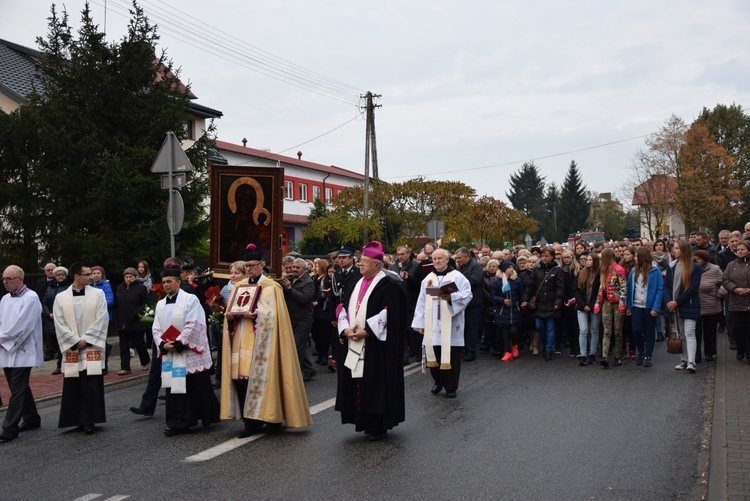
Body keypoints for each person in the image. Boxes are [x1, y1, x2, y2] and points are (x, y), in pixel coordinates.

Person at [221, 246, 312, 438]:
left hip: (264, 342)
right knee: (243, 382)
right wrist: (228, 317)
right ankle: (251, 424)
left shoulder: (272, 287)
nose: (249, 269)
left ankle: (272, 419)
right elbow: (231, 311)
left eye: (252, 265)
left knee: (268, 379)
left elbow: (275, 316)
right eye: (246, 266)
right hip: (240, 339)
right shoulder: (239, 287)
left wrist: (256, 315)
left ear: (262, 266)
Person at [335, 241, 406, 440]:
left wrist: (367, 331)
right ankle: (361, 419)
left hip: (376, 345)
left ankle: (377, 424)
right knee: (356, 381)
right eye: (360, 261)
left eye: (365, 262)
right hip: (353, 339)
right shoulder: (355, 283)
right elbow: (342, 307)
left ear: (377, 264)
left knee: (375, 382)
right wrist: (346, 328)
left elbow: (391, 313)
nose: (360, 265)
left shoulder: (389, 285)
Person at [152, 264, 220, 436]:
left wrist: (179, 342)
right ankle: (178, 422)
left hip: (188, 350)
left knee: (196, 385)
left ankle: (206, 416)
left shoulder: (190, 299)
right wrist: (162, 344)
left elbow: (195, 323)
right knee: (175, 388)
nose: (166, 285)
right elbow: (156, 328)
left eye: (169, 281)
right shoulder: (160, 304)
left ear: (178, 282)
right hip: (171, 352)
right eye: (164, 282)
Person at [53, 263, 108, 434]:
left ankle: (90, 420)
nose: (91, 277)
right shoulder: (61, 298)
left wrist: (87, 339)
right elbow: (59, 322)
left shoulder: (98, 294)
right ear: (76, 276)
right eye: (87, 274)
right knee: (73, 384)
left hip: (91, 346)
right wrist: (75, 341)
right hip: (73, 347)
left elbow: (102, 318)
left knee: (91, 383)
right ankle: (76, 419)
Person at [412, 249, 472, 398]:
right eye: (435, 259)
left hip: (450, 323)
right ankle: (437, 381)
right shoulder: (428, 279)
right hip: (432, 324)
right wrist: (420, 324)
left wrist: (451, 297)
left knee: (451, 355)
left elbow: (467, 295)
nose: (437, 261)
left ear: (447, 259)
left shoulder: (458, 277)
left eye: (440, 258)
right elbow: (421, 301)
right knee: (435, 354)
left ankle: (451, 387)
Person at [0, 266, 44, 442]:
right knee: (18, 387)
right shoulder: (4, 299)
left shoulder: (31, 298)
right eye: (3, 279)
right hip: (5, 347)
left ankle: (9, 428)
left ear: (20, 279)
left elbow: (24, 325)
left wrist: (4, 340)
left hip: (23, 349)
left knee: (17, 390)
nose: (5, 282)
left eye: (8, 279)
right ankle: (32, 418)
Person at [665, 240, 702, 373]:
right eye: (674, 248)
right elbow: (667, 286)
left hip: (689, 304)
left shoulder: (694, 267)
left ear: (684, 250)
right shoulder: (672, 266)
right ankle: (683, 360)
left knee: (690, 332)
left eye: (676, 248)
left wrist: (677, 301)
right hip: (675, 305)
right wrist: (669, 301)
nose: (674, 251)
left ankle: (691, 361)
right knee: (680, 334)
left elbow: (692, 288)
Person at [523, 247, 565, 361]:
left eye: (547, 256)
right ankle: (545, 344)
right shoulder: (537, 270)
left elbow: (560, 289)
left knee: (550, 328)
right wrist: (525, 300)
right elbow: (530, 287)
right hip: (539, 303)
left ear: (552, 257)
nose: (544, 258)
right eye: (543, 256)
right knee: (539, 326)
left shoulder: (558, 271)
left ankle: (549, 349)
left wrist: (558, 302)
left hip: (551, 303)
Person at [626, 247, 664, 368]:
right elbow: (629, 289)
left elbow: (660, 289)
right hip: (636, 305)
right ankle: (641, 351)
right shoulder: (633, 271)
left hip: (649, 306)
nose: (635, 258)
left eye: (637, 256)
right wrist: (628, 305)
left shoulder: (655, 271)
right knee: (636, 330)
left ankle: (648, 355)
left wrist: (656, 307)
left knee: (649, 331)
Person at [280, 258, 316, 381]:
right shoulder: (288, 279)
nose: (294, 269)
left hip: (303, 320)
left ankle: (294, 378)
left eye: (297, 268)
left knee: (296, 348)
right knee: (297, 346)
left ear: (304, 270)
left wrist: (290, 289)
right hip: (290, 318)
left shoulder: (308, 282)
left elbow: (305, 299)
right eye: (293, 267)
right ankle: (309, 369)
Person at [594, 248, 627, 368]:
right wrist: (598, 304)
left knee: (617, 330)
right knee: (607, 330)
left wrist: (622, 305)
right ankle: (605, 356)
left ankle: (618, 356)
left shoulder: (619, 270)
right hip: (607, 303)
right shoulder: (604, 271)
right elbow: (601, 289)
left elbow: (623, 289)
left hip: (618, 303)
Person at [114, 267, 151, 375]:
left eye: (131, 277)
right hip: (123, 322)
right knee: (124, 346)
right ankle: (125, 367)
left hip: (136, 321)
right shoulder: (120, 287)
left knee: (139, 343)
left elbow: (146, 303)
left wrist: (136, 313)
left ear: (135, 277)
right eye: (126, 277)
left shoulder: (141, 288)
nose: (128, 279)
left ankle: (146, 361)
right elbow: (117, 303)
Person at [693, 250, 724, 363]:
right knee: (695, 332)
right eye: (694, 258)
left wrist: (720, 293)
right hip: (695, 306)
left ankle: (709, 353)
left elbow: (725, 282)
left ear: (705, 260)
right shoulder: (692, 269)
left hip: (711, 305)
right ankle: (696, 354)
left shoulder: (715, 269)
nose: (695, 261)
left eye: (698, 259)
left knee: (710, 332)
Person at [722, 239, 750, 364]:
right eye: (738, 249)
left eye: (742, 249)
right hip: (735, 301)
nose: (739, 251)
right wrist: (735, 289)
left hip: (748, 301)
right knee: (738, 329)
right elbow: (725, 279)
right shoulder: (731, 265)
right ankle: (740, 349)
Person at [454, 248, 484, 362]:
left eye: (459, 258)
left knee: (472, 328)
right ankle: (464, 349)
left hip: (473, 303)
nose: (458, 260)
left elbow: (473, 282)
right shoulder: (459, 268)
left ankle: (471, 351)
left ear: (467, 257)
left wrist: (457, 284)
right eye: (456, 258)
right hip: (462, 303)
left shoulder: (475, 267)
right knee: (463, 327)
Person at [491, 261, 523, 362]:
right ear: (504, 269)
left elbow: (521, 294)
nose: (512, 269)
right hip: (502, 311)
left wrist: (522, 303)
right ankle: (507, 352)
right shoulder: (497, 281)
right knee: (505, 332)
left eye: (512, 267)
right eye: (509, 267)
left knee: (513, 331)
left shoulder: (516, 281)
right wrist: (503, 300)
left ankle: (514, 345)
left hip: (514, 310)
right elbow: (492, 296)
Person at [43, 266, 71, 374]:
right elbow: (44, 302)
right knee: (54, 343)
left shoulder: (69, 287)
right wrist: (48, 313)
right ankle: (60, 364)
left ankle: (63, 364)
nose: (60, 276)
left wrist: (59, 314)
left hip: (64, 319)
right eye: (58, 275)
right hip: (51, 320)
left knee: (64, 343)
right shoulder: (50, 288)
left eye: (62, 274)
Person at [575, 253, 601, 366]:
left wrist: (590, 305)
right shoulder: (581, 273)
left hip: (594, 305)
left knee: (594, 330)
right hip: (581, 306)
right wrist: (582, 304)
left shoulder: (599, 275)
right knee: (584, 330)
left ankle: (593, 354)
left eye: (590, 260)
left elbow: (598, 292)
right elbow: (576, 290)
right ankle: (583, 354)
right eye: (587, 260)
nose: (587, 261)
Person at [311, 259, 333, 366]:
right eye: (315, 266)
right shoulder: (314, 278)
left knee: (324, 334)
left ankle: (324, 355)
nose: (315, 268)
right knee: (316, 333)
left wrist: (319, 300)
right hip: (315, 309)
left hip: (324, 310)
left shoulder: (326, 280)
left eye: (318, 266)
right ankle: (320, 353)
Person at [35, 263, 56, 361]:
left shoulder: (59, 281)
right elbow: (38, 295)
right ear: (45, 272)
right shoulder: (41, 282)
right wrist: (41, 308)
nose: (51, 272)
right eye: (48, 270)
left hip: (56, 309)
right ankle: (49, 352)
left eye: (53, 270)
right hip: (44, 310)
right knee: (47, 332)